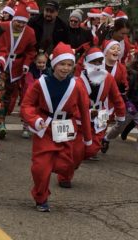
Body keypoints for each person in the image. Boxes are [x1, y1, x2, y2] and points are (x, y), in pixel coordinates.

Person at [21, 42, 92, 212]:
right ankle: (41, 197)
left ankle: (56, 172)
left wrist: (88, 139)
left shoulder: (77, 85)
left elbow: (84, 111)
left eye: (69, 65)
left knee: (66, 164)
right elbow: (26, 105)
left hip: (66, 129)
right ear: (54, 64)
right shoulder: (41, 83)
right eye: (62, 64)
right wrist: (35, 120)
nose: (65, 68)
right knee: (41, 168)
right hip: (45, 128)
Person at [72, 47, 125, 168]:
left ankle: (78, 158)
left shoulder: (108, 78)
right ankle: (67, 171)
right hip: (82, 115)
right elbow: (71, 104)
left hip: (101, 114)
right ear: (87, 63)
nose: (97, 65)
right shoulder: (77, 81)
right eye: (93, 62)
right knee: (76, 150)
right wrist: (84, 113)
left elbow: (117, 97)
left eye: (99, 62)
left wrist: (121, 114)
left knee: (93, 149)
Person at [0, 2, 36, 139]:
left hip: (17, 67)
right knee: (0, 93)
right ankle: (1, 123)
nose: (20, 25)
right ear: (13, 19)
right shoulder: (3, 27)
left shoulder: (30, 32)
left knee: (9, 97)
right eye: (17, 22)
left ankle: (2, 119)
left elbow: (31, 51)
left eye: (23, 23)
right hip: (1, 64)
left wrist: (26, 63)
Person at [102, 55, 138, 150]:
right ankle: (106, 138)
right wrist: (127, 102)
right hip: (130, 106)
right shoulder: (132, 75)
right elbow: (123, 90)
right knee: (119, 127)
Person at [21, 53, 49, 139]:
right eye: (39, 62)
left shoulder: (48, 71)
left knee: (40, 112)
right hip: (33, 95)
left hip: (43, 96)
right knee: (29, 112)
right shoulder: (31, 71)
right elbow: (29, 83)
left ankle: (39, 128)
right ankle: (26, 128)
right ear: (35, 62)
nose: (41, 65)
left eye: (43, 63)